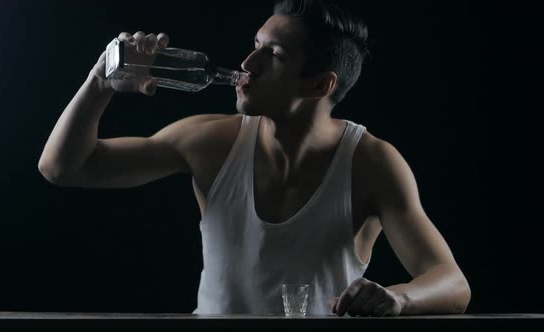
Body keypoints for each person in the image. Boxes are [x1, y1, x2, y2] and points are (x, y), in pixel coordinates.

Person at [38, 0, 471, 317]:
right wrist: (101, 82)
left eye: (274, 56)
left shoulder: (372, 164)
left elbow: (453, 283)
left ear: (320, 86)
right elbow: (64, 167)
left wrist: (399, 298)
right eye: (255, 45)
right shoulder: (211, 141)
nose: (247, 63)